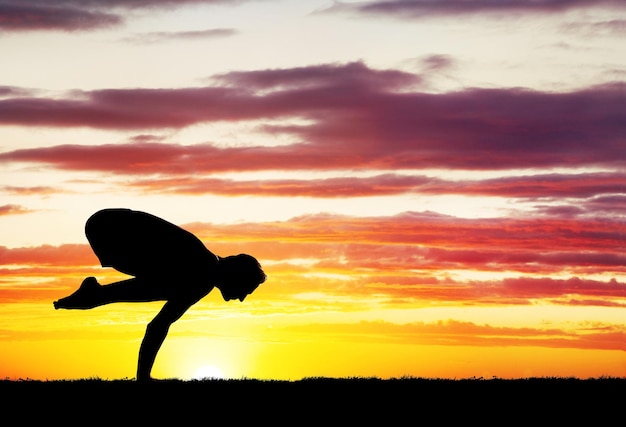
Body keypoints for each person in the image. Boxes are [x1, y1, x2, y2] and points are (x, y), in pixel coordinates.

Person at [53, 208, 266, 382]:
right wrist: (143, 378)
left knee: (169, 285)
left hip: (105, 224)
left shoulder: (204, 268)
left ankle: (96, 294)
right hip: (109, 228)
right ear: (238, 275)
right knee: (172, 286)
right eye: (245, 291)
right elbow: (158, 326)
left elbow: (157, 320)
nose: (241, 299)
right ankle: (96, 294)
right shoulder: (203, 274)